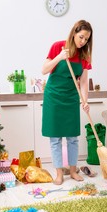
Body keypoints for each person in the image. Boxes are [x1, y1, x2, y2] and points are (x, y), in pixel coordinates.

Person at [41, 19, 93, 185]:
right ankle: (58, 173)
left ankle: (72, 171)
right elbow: (44, 70)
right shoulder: (58, 46)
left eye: (86, 39)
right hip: (54, 96)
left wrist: (85, 100)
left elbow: (84, 82)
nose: (83, 41)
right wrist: (59, 57)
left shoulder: (85, 55)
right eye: (81, 37)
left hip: (71, 96)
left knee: (72, 137)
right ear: (74, 33)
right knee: (55, 138)